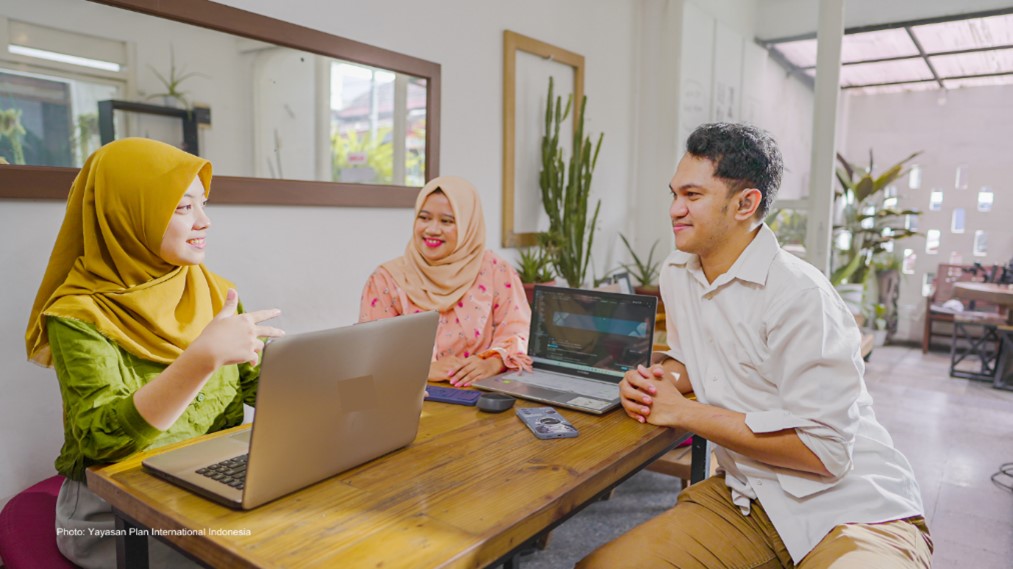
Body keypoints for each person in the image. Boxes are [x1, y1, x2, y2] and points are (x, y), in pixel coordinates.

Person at [578, 123, 931, 568]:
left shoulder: (801, 295)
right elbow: (693, 357)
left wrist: (683, 411)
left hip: (854, 508)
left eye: (692, 196)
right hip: (748, 499)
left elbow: (825, 452)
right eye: (673, 194)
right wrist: (656, 381)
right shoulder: (677, 271)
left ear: (746, 203)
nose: (674, 209)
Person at [25, 138, 284, 569]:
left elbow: (259, 387)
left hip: (208, 484)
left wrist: (337, 381)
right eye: (183, 208)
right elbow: (102, 443)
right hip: (116, 514)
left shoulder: (216, 292)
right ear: (125, 214)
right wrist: (200, 360)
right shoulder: (77, 313)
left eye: (202, 204)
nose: (205, 222)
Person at [360, 176, 531, 386]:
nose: (432, 229)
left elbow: (518, 331)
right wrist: (422, 369)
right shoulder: (386, 280)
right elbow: (370, 354)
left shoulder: (495, 271)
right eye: (424, 218)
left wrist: (491, 363)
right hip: (410, 400)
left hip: (482, 394)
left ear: (468, 225)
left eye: (447, 221)